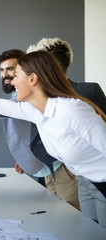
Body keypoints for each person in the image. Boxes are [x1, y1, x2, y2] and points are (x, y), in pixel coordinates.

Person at [0, 52, 106, 228]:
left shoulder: (72, 110)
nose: (12, 82)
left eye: (16, 75)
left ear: (33, 78)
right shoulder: (35, 111)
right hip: (90, 181)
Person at [0, 48, 81, 210]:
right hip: (46, 169)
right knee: (57, 213)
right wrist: (26, 154)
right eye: (2, 70)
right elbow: (33, 128)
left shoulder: (31, 96)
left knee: (70, 215)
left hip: (60, 167)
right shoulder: (17, 96)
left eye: (11, 69)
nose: (5, 74)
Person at [26, 37, 106, 225]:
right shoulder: (41, 98)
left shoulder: (87, 91)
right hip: (72, 175)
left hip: (94, 175)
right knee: (87, 228)